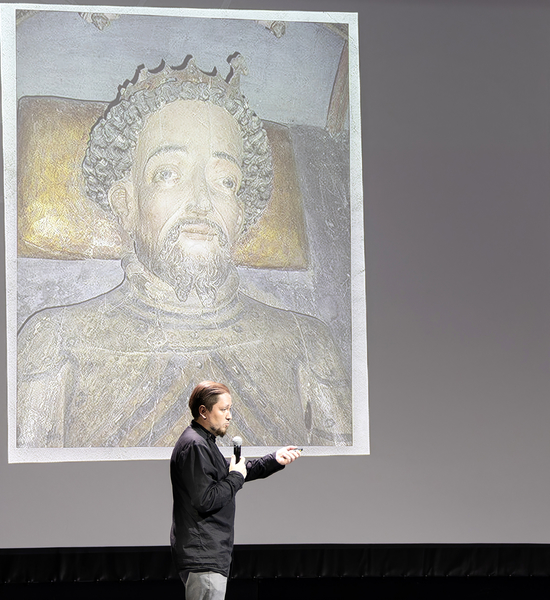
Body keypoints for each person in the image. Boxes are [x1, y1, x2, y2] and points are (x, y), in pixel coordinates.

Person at [16, 55, 351, 448]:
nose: (201, 202)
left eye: (225, 181)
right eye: (168, 174)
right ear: (126, 203)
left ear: (240, 214)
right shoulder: (55, 342)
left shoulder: (307, 343)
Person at [171, 381, 301, 600]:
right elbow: (206, 499)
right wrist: (235, 477)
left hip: (208, 554)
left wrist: (274, 459)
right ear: (203, 411)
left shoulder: (204, 442)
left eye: (229, 409)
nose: (229, 416)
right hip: (204, 555)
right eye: (223, 409)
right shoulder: (195, 445)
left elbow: (233, 471)